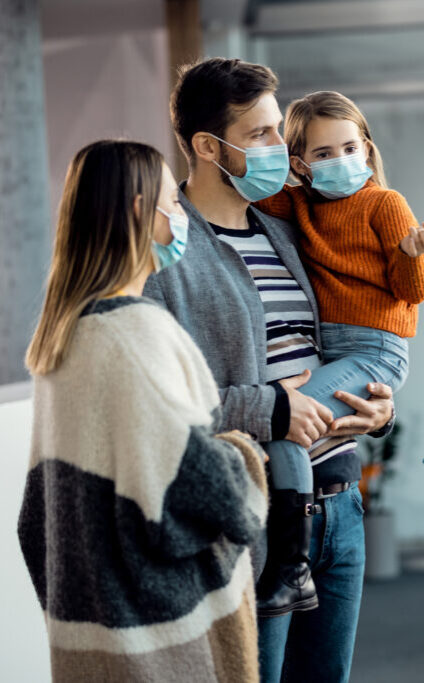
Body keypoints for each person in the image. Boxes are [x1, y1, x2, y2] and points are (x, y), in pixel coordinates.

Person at [143, 58, 394, 683]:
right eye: (260, 135)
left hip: (339, 505)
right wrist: (268, 409)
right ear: (207, 146)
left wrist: (377, 410)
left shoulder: (287, 231)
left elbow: (337, 345)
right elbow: (155, 406)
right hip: (249, 523)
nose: (282, 148)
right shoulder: (165, 253)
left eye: (278, 131)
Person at [18, 140, 268, 682]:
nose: (180, 215)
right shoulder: (137, 334)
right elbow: (211, 493)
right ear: (139, 212)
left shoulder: (61, 340)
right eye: (172, 204)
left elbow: (33, 524)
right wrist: (245, 455)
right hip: (165, 647)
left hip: (91, 644)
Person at [252, 89, 424, 608]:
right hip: (332, 349)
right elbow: (246, 192)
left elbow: (414, 290)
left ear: (368, 148)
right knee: (287, 422)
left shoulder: (385, 203)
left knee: (287, 424)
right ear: (300, 164)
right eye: (324, 154)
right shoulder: (299, 205)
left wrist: (412, 254)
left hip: (377, 348)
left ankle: (290, 564)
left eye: (351, 148)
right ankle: (295, 557)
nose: (342, 161)